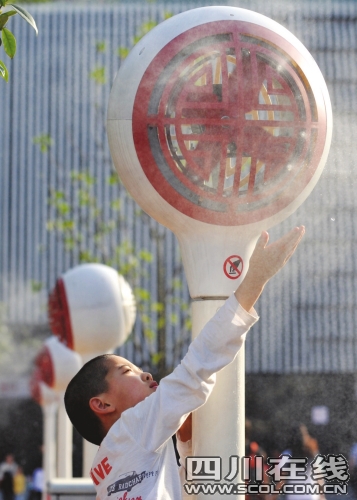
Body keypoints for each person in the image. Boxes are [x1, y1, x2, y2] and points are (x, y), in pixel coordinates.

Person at [65, 226, 305, 500]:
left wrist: (188, 443)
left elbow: (184, 495)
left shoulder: (107, 466)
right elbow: (196, 368)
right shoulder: (131, 428)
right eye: (127, 371)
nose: (145, 374)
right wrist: (254, 281)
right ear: (103, 404)